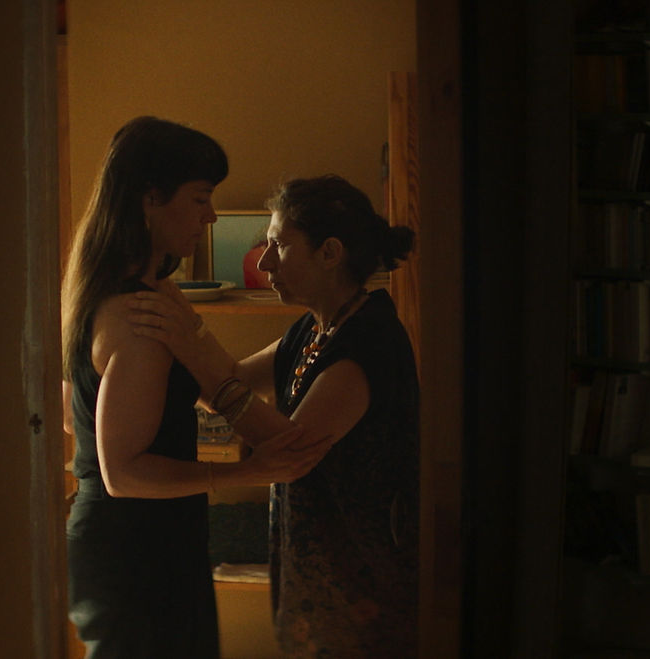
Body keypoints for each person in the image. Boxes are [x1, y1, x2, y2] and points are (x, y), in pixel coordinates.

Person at [60, 116, 334, 659]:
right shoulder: (139, 318)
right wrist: (244, 472)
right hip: (135, 551)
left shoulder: (145, 290)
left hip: (148, 539)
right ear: (150, 199)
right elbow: (122, 473)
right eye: (201, 198)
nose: (210, 216)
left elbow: (76, 418)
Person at [127, 174, 420, 657]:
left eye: (278, 246)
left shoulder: (368, 341)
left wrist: (189, 344)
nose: (263, 262)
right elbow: (230, 380)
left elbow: (289, 452)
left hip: (359, 586)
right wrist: (173, 313)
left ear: (330, 253)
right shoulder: (315, 328)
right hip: (319, 573)